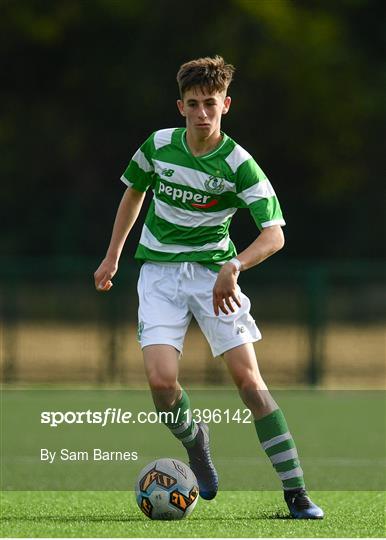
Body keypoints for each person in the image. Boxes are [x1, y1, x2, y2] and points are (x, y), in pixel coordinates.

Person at [94, 55, 324, 519]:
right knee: (161, 383)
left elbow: (274, 234)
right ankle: (196, 441)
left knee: (249, 383)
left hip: (215, 276)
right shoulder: (158, 146)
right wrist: (114, 253)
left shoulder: (240, 165)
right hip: (158, 273)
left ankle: (296, 493)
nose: (203, 113)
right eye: (194, 104)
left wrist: (234, 265)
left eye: (211, 104)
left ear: (226, 105)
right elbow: (134, 191)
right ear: (180, 106)